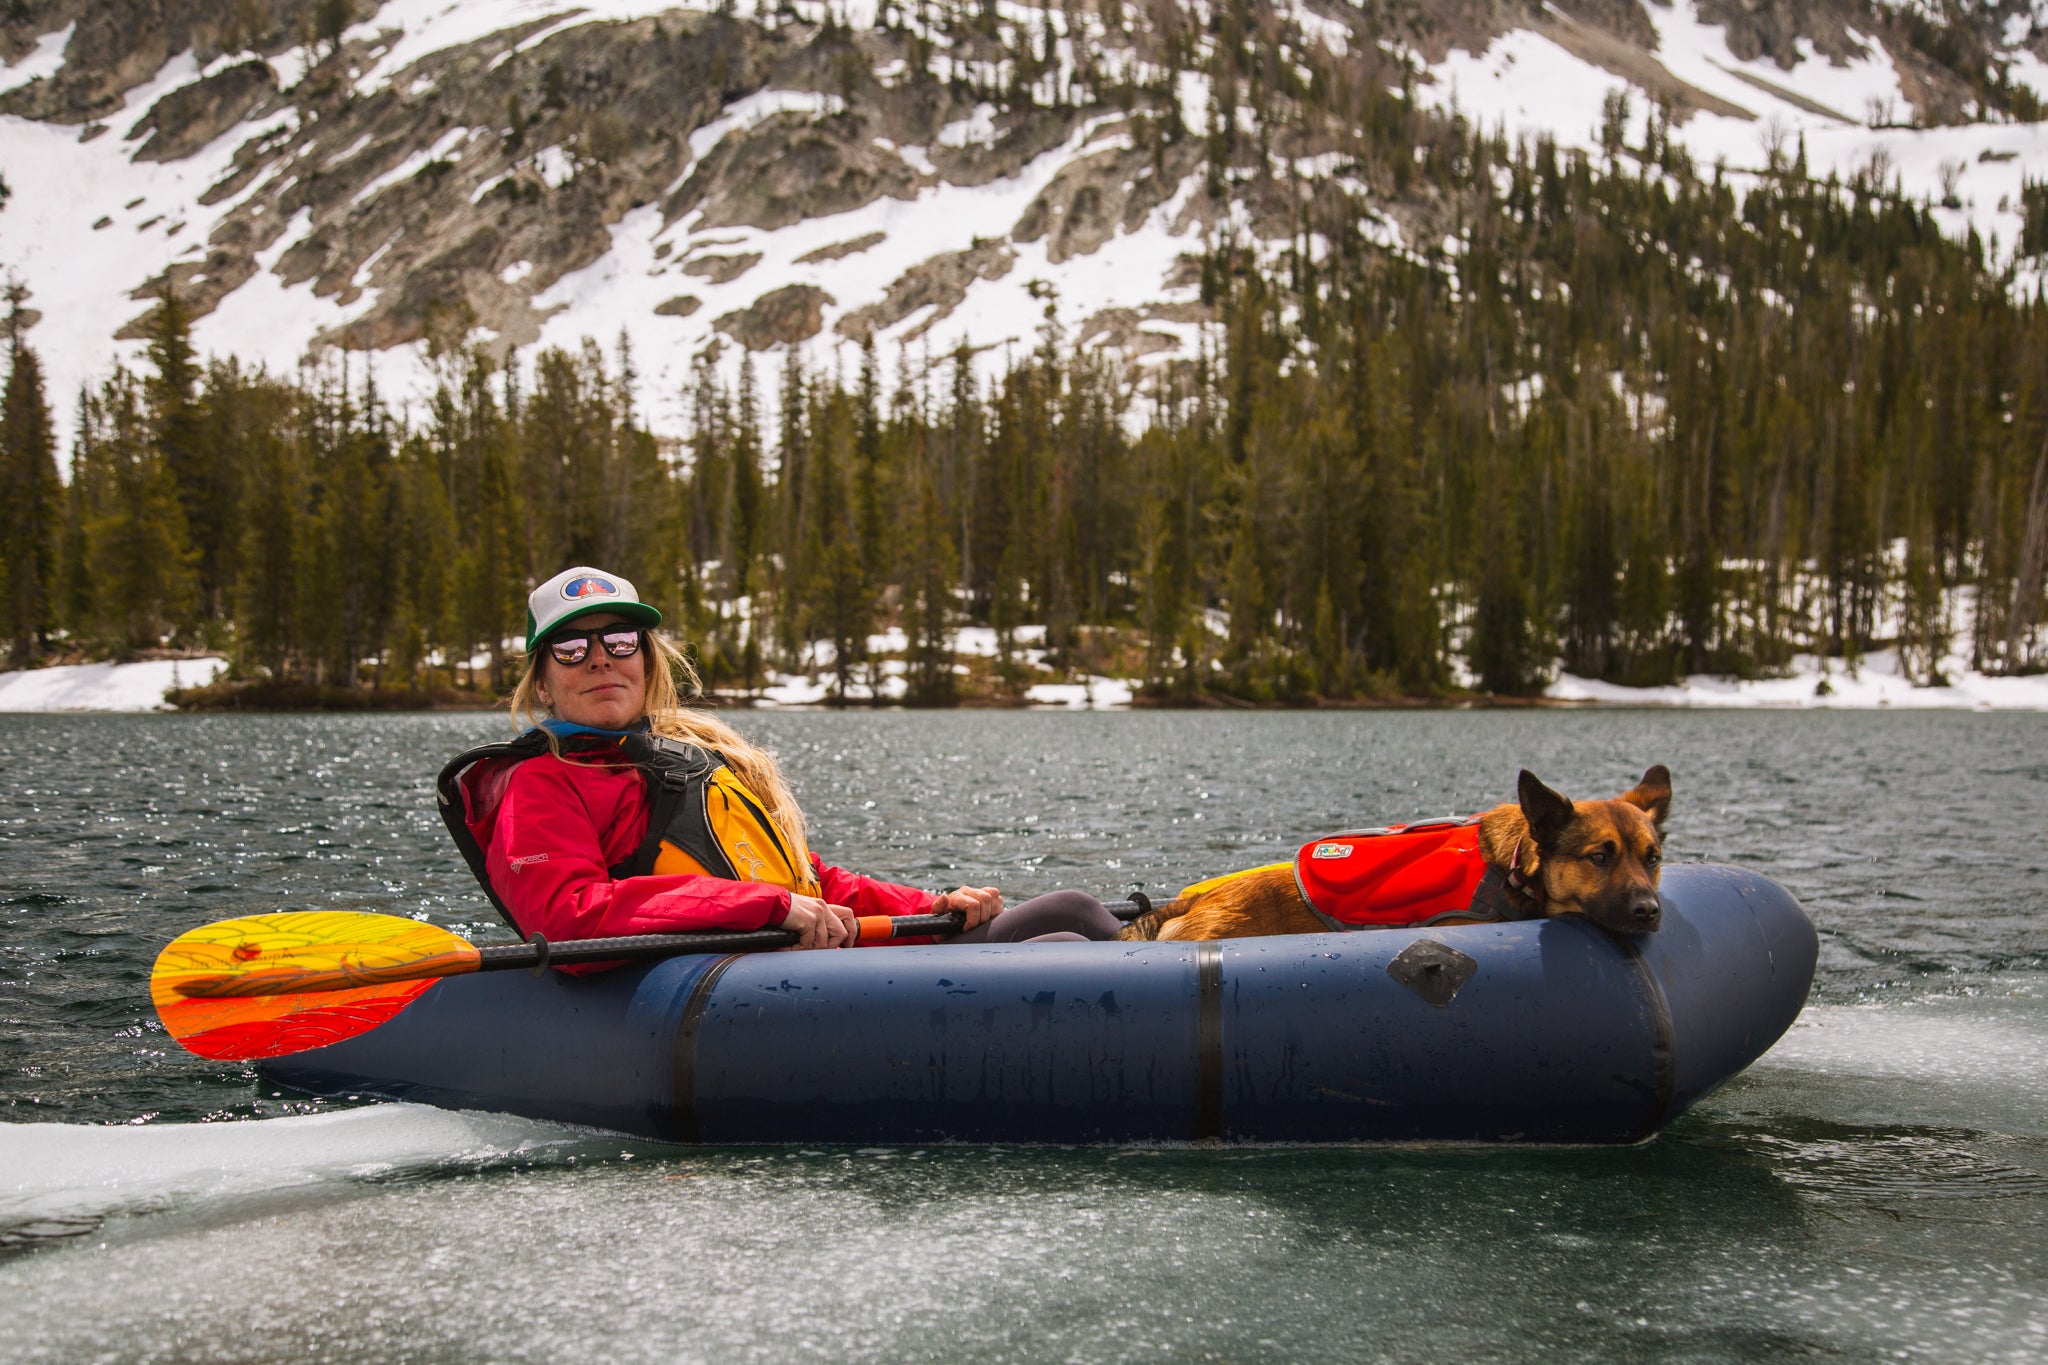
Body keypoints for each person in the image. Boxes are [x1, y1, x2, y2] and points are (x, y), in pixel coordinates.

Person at [437, 565, 1126, 958]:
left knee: (1071, 908)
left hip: (797, 966)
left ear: (647, 661)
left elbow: (806, 876)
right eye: (570, 648)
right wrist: (769, 906)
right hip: (709, 988)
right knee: (1060, 941)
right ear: (543, 679)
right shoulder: (541, 783)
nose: (598, 659)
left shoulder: (691, 760)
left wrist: (934, 905)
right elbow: (569, 915)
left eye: (619, 640)